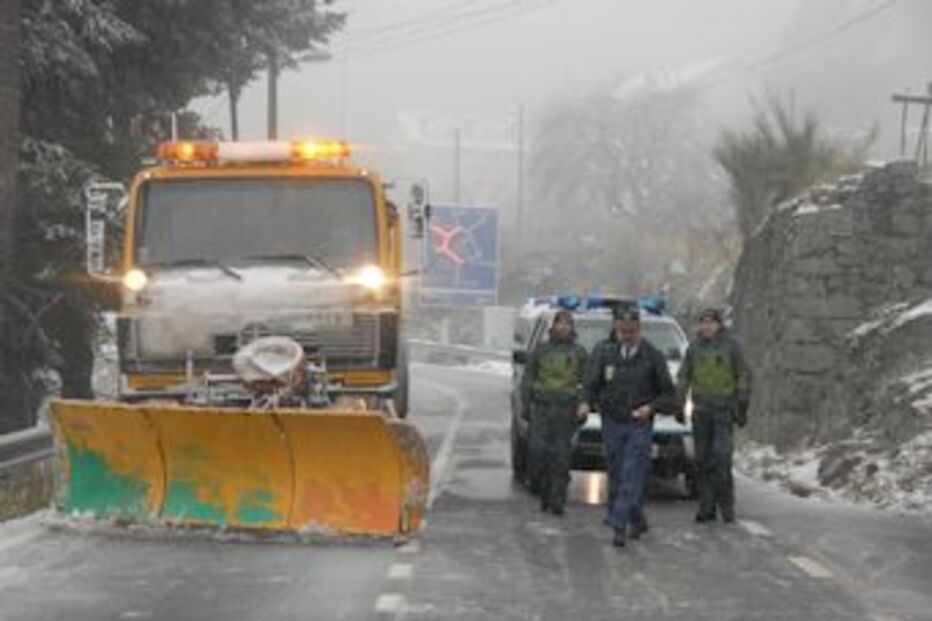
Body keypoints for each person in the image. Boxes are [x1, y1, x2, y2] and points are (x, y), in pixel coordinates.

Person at [586, 305, 675, 547]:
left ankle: (619, 523)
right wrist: (586, 403)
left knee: (632, 472)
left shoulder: (652, 356)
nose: (627, 335)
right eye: (623, 330)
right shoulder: (606, 353)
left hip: (639, 424)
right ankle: (636, 518)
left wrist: (651, 408)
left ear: (639, 330)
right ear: (616, 329)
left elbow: (668, 394)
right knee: (616, 472)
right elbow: (592, 383)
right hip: (612, 421)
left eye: (631, 331)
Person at [675, 307, 751, 524]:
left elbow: (743, 376)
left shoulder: (732, 346)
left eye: (711, 322)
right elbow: (683, 377)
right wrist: (679, 404)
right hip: (701, 413)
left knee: (721, 457)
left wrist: (742, 405)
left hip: (724, 412)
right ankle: (706, 507)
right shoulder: (694, 349)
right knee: (702, 460)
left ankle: (726, 505)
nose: (706, 326)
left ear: (719, 324)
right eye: (703, 322)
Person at [521, 309, 590, 515]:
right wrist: (526, 405)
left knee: (561, 456)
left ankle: (557, 499)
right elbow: (528, 378)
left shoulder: (579, 352)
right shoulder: (541, 350)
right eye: (560, 323)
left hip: (565, 411)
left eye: (567, 324)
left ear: (572, 328)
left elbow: (587, 382)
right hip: (542, 409)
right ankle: (544, 489)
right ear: (553, 326)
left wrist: (584, 404)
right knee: (537, 453)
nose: (563, 327)